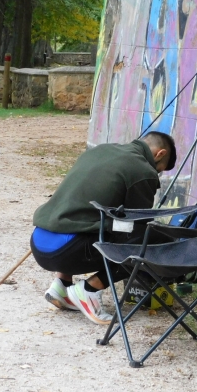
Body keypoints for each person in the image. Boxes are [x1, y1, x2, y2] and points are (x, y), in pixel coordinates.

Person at [30, 132, 177, 325]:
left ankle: (61, 285)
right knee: (150, 240)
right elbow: (138, 223)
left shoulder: (100, 150)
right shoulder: (143, 170)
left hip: (40, 245)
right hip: (66, 252)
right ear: (159, 154)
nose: (156, 173)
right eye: (160, 169)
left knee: (84, 219)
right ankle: (89, 289)